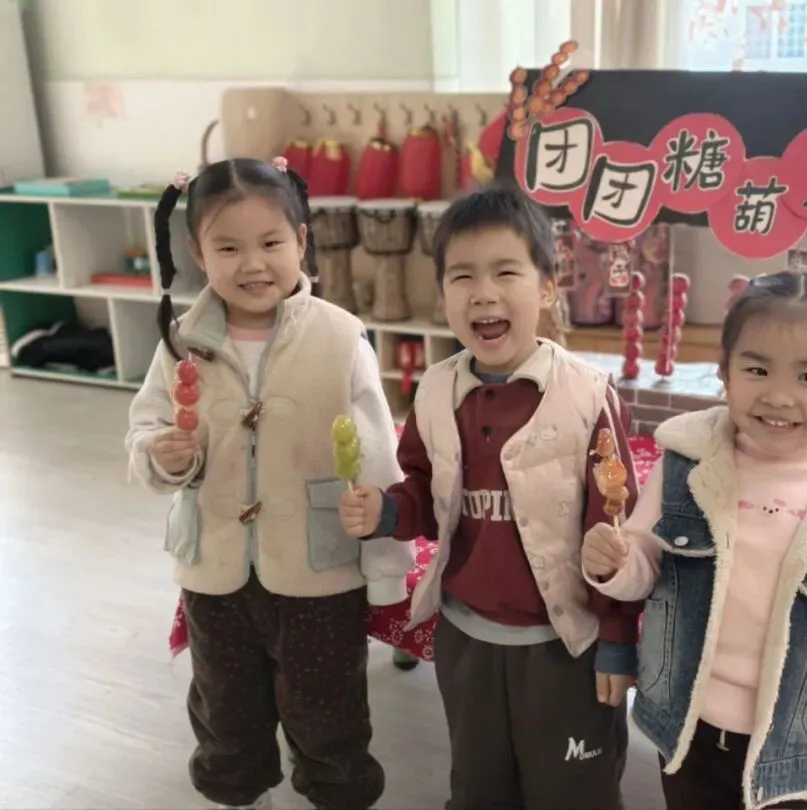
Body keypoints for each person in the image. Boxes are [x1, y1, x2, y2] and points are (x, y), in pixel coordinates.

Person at [339, 184, 641, 810]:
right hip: (467, 640)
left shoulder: (588, 397)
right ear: (442, 294)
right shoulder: (435, 391)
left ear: (548, 288)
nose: (483, 292)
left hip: (565, 647)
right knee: (479, 787)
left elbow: (618, 538)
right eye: (462, 276)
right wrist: (388, 511)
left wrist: (616, 640)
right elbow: (424, 493)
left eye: (506, 272)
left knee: (573, 794)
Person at [125, 157, 414, 810]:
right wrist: (162, 454)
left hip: (320, 573)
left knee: (329, 711)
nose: (253, 264)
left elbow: (377, 459)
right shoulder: (179, 341)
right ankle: (240, 793)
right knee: (225, 707)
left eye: (271, 243)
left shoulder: (341, 338)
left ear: (301, 242)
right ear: (197, 252)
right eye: (228, 248)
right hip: (215, 572)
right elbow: (146, 427)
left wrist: (387, 567)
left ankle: (337, 795)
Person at [583, 271, 807, 810]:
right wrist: (615, 564)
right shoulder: (687, 465)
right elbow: (644, 565)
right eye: (757, 369)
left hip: (801, 761)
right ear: (724, 371)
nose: (778, 395)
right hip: (689, 735)